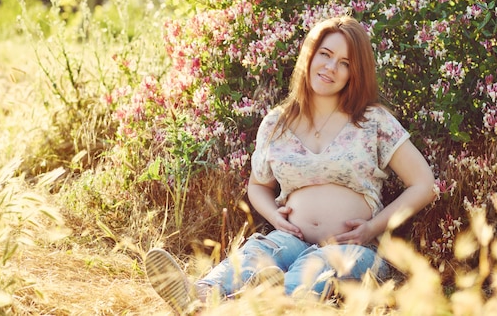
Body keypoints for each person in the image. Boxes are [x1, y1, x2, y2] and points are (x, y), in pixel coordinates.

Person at [145, 16, 435, 314]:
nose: (331, 68)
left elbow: (424, 185)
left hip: (351, 250)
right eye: (325, 54)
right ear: (309, 55)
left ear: (354, 73)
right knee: (252, 260)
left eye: (345, 63)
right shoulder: (276, 123)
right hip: (288, 239)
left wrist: (372, 227)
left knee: (308, 274)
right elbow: (258, 185)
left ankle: (265, 303)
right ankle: (198, 299)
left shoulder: (373, 121)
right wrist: (276, 217)